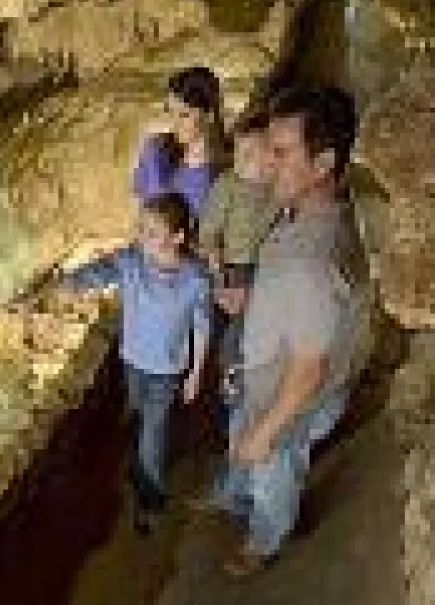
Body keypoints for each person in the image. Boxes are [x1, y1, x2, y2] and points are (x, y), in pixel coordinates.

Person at [204, 85, 368, 578]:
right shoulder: (305, 213)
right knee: (245, 443)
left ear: (323, 163)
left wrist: (269, 429)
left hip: (284, 399)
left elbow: (309, 365)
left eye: (281, 152)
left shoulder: (309, 261)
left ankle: (264, 540)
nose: (267, 163)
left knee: (273, 467)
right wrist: (254, 302)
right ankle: (234, 496)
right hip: (263, 376)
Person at [57, 192, 212, 535]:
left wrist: (196, 371)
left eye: (153, 233)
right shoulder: (131, 262)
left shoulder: (195, 279)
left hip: (168, 371)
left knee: (153, 436)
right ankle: (142, 465)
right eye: (142, 230)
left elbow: (202, 326)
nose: (143, 239)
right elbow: (101, 271)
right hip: (132, 361)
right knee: (139, 415)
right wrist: (67, 284)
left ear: (178, 237)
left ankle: (150, 501)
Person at [197, 106, 279, 436]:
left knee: (239, 342)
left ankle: (236, 407)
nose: (241, 161)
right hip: (230, 269)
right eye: (239, 152)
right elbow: (208, 234)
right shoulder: (228, 186)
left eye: (251, 153)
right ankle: (220, 410)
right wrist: (219, 277)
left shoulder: (279, 190)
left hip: (264, 274)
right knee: (222, 339)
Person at [133, 66, 229, 220]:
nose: (174, 122)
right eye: (170, 112)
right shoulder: (155, 150)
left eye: (184, 115)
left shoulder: (227, 167)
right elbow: (141, 219)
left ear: (209, 115)